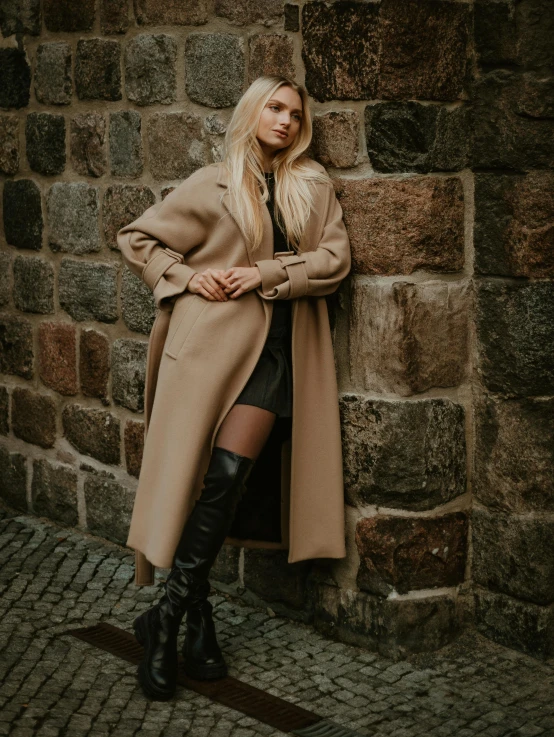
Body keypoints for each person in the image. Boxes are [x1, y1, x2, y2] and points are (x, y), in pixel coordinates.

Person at [117, 75, 351, 701]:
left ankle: (163, 617)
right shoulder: (212, 183)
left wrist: (265, 274)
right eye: (274, 109)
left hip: (276, 353)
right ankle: (195, 618)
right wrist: (188, 279)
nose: (285, 121)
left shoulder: (314, 184)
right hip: (211, 351)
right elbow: (137, 238)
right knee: (198, 478)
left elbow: (334, 260)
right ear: (252, 114)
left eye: (295, 114)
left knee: (226, 477)